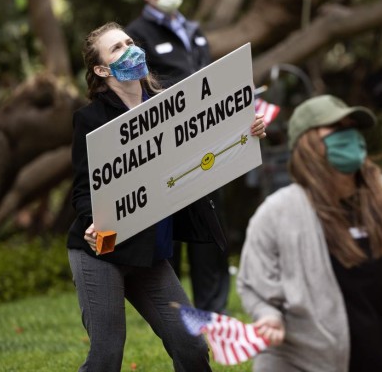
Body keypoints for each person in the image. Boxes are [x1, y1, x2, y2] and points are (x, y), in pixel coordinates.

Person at [67, 22, 266, 372]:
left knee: (191, 347)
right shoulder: (90, 120)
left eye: (129, 42)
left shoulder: (170, 108)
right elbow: (84, 189)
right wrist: (92, 220)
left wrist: (245, 132)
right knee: (106, 356)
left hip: (150, 253)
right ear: (101, 70)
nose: (130, 49)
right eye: (116, 48)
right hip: (103, 253)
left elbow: (209, 150)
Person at [237, 95, 382, 371]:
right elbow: (254, 283)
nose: (348, 137)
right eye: (336, 130)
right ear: (307, 145)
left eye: (352, 129)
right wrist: (269, 316)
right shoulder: (276, 213)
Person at [125, 0, 231, 313]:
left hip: (207, 148)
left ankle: (213, 316)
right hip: (166, 153)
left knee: (210, 232)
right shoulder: (136, 35)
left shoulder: (194, 31)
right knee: (171, 237)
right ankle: (174, 317)